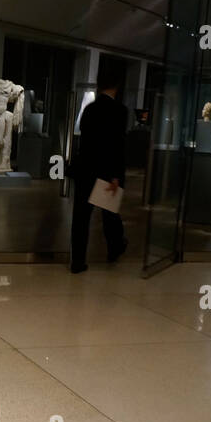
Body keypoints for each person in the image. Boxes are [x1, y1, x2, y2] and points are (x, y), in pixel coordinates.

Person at [70, 63, 129, 273]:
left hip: (85, 169)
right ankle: (114, 249)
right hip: (106, 172)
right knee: (110, 214)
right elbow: (116, 146)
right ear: (117, 85)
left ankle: (77, 261)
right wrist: (116, 176)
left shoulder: (90, 110)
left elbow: (86, 142)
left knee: (81, 219)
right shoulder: (119, 111)